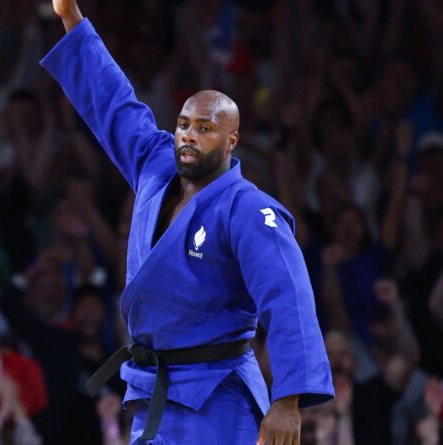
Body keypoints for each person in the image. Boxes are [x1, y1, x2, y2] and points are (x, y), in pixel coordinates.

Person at [41, 1, 334, 444]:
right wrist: (70, 18)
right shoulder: (155, 167)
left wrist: (288, 401)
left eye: (205, 128)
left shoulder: (249, 210)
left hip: (219, 398)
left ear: (232, 140)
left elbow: (288, 298)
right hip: (153, 392)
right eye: (182, 125)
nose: (188, 136)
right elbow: (115, 105)